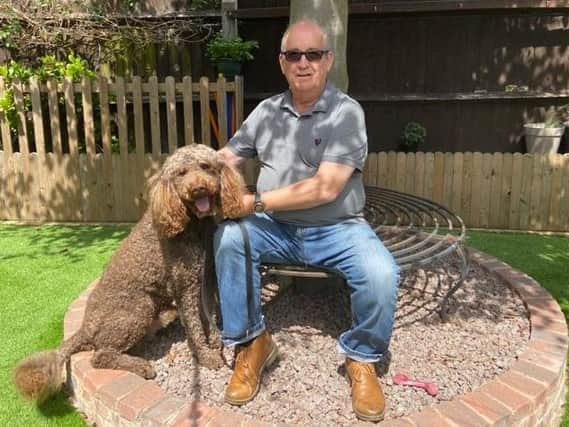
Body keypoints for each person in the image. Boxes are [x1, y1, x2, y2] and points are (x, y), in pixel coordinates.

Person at [215, 19, 400, 423]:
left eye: (312, 54)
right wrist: (191, 167)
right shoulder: (265, 112)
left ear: (328, 60)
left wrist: (254, 201)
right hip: (276, 228)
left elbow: (325, 188)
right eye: (293, 55)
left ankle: (362, 358)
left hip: (339, 228)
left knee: (381, 273)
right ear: (282, 63)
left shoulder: (346, 113)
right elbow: (228, 157)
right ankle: (252, 343)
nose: (303, 62)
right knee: (230, 238)